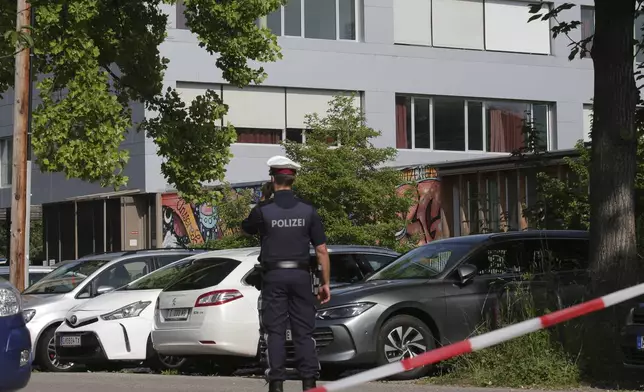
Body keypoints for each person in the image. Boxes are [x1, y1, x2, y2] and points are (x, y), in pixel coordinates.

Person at [242, 155, 331, 392]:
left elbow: (246, 228)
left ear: (272, 179)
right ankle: (309, 383)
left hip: (274, 278)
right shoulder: (308, 210)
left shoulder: (263, 209)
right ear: (294, 179)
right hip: (302, 278)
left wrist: (263, 199)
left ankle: (277, 385)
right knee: (304, 332)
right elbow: (322, 250)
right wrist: (325, 283)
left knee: (276, 332)